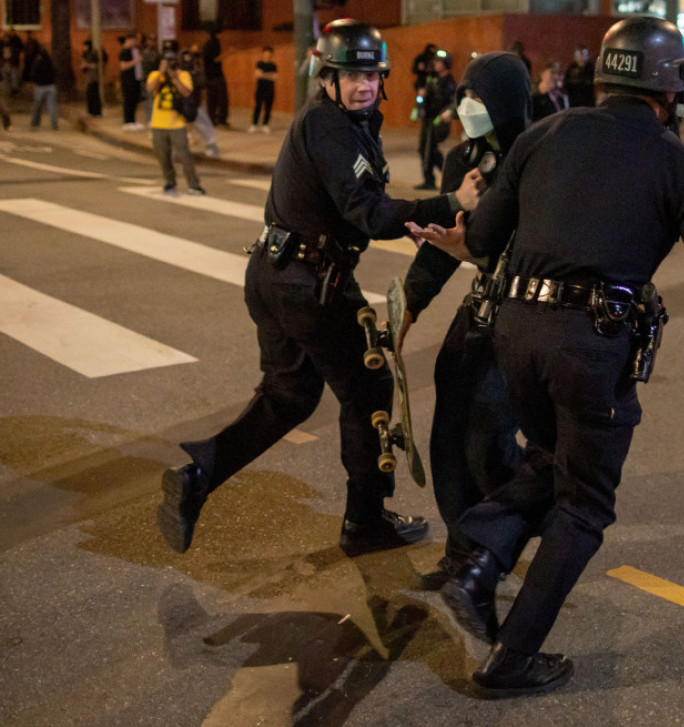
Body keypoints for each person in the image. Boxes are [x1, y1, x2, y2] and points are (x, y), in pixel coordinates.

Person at [407, 16, 684, 698]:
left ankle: (479, 557)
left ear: (606, 72)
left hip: (512, 334)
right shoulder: (673, 161)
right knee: (585, 504)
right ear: (670, 86)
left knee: (552, 462)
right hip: (589, 347)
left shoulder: (547, 132)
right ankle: (510, 657)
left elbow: (484, 236)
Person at [157, 19, 484, 558]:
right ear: (325, 78)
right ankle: (365, 522)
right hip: (310, 284)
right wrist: (452, 202)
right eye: (349, 75)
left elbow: (359, 208)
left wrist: (424, 219)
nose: (364, 85)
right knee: (369, 389)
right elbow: (370, 213)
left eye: (372, 75)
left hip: (278, 273)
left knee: (289, 396)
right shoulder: (330, 127)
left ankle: (198, 476)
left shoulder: (345, 123)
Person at [402, 51, 533, 590]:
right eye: (464, 95)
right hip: (480, 305)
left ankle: (500, 539)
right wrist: (409, 305)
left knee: (488, 437)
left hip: (525, 311)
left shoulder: (539, 155)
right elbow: (442, 245)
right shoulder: (463, 160)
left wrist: (474, 248)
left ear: (504, 101)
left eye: (477, 97)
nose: (466, 106)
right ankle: (462, 554)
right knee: (448, 433)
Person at [147, 50, 204, 195]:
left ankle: (193, 184)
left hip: (177, 124)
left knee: (185, 156)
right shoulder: (155, 75)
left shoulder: (183, 75)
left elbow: (186, 92)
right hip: (158, 124)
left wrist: (174, 77)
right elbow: (149, 89)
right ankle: (170, 182)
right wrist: (161, 73)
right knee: (163, 157)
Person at [415, 52, 456, 190]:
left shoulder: (450, 83)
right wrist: (420, 107)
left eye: (439, 62)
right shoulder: (432, 80)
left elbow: (452, 103)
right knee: (425, 149)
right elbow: (423, 98)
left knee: (429, 150)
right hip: (428, 120)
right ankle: (443, 175)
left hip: (438, 121)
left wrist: (446, 114)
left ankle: (433, 179)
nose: (436, 64)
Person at [181, 46, 220, 157]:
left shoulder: (197, 70)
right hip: (181, 104)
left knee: (203, 124)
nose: (187, 60)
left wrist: (195, 73)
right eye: (185, 57)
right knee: (180, 127)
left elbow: (202, 84)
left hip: (194, 102)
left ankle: (211, 145)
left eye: (189, 57)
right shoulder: (178, 71)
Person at [202, 26, 229, 126]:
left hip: (208, 76)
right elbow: (215, 59)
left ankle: (212, 119)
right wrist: (228, 53)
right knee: (222, 98)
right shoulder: (215, 43)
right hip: (216, 75)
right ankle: (221, 119)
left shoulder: (207, 44)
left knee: (211, 98)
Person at [118, 34, 144, 130]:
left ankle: (132, 120)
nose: (133, 43)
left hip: (136, 78)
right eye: (132, 41)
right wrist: (135, 61)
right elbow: (123, 66)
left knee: (134, 100)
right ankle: (127, 121)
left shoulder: (135, 50)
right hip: (127, 80)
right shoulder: (124, 52)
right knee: (128, 100)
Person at [28, 47, 58, 130]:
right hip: (51, 86)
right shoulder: (50, 63)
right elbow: (55, 73)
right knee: (52, 106)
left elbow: (33, 74)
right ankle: (54, 123)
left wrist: (35, 81)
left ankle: (35, 122)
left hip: (40, 87)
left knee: (37, 106)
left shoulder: (37, 63)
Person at [249, 46, 277, 133]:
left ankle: (265, 124)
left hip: (270, 89)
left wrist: (264, 74)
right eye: (266, 53)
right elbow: (258, 75)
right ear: (263, 54)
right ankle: (254, 124)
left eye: (269, 53)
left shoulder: (273, 65)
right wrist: (269, 75)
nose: (267, 55)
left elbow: (275, 77)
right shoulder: (259, 63)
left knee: (268, 108)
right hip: (260, 89)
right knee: (257, 107)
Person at [80, 40, 106, 117]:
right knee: (89, 95)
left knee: (94, 94)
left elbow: (96, 65)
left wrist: (87, 65)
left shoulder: (93, 54)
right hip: (89, 77)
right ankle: (91, 111)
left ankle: (97, 112)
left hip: (94, 78)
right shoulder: (86, 54)